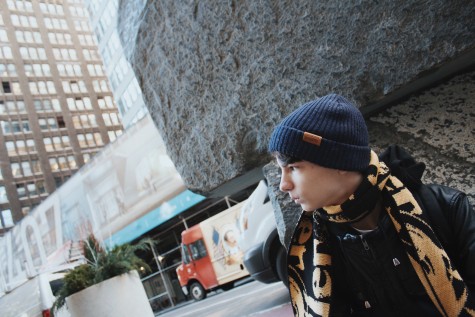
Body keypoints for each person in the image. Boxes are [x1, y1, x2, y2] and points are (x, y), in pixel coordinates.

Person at [267, 93, 475, 316]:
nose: (283, 185)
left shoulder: (445, 208)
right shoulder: (318, 248)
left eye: (293, 168)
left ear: (339, 161)